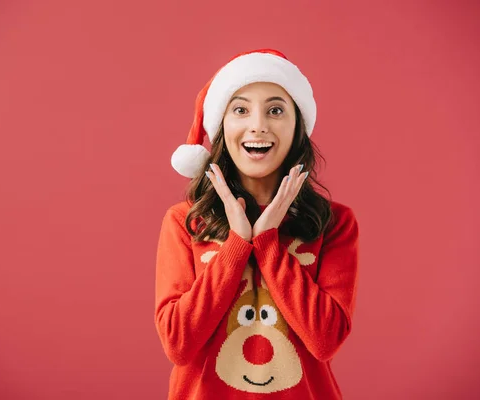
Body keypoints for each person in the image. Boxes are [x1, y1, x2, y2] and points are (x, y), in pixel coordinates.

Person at [154, 48, 359, 399]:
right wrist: (236, 244)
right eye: (240, 110)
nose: (258, 124)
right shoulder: (185, 221)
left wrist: (267, 241)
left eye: (276, 110)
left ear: (298, 127)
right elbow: (178, 344)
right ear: (222, 127)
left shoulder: (334, 223)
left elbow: (325, 341)